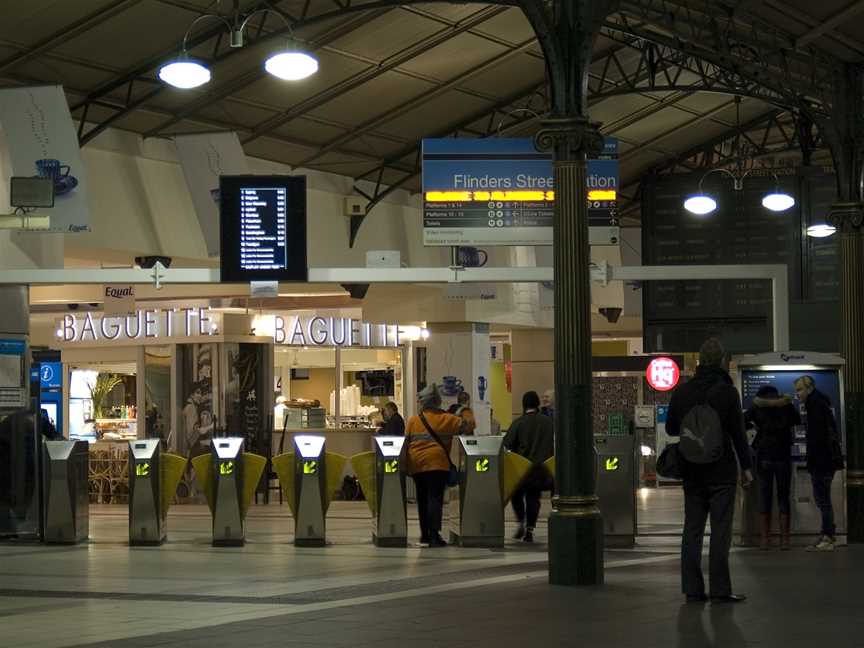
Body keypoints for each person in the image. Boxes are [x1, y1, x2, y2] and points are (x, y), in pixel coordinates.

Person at [666, 338, 753, 603]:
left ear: (699, 361)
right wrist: (746, 467)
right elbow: (738, 433)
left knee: (692, 530)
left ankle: (692, 589)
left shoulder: (683, 391)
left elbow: (671, 429)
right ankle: (720, 589)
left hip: (692, 471)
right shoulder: (727, 392)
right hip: (721, 471)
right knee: (720, 531)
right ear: (722, 361)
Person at [405, 384, 473, 546]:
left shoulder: (413, 421)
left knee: (422, 499)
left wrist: (406, 466)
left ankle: (425, 535)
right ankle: (434, 534)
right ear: (438, 401)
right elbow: (469, 426)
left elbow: (406, 443)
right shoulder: (447, 419)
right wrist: (465, 410)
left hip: (417, 466)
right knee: (435, 498)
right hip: (437, 465)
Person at [745, 385, 800, 550]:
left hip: (765, 456)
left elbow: (743, 420)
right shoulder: (787, 405)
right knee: (783, 495)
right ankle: (785, 540)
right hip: (783, 455)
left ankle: (765, 539)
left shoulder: (757, 406)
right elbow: (797, 420)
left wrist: (757, 427)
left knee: (764, 495)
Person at [794, 375, 842, 552]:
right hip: (825, 459)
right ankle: (827, 534)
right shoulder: (819, 402)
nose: (797, 394)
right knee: (823, 499)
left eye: (799, 390)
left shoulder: (816, 404)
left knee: (823, 500)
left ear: (809, 388)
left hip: (822, 460)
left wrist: (812, 461)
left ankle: (828, 537)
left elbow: (817, 437)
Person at [503, 391, 554, 543]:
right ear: (537, 403)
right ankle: (530, 529)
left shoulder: (519, 422)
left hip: (522, 468)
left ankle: (521, 522)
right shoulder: (548, 422)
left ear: (524, 405)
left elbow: (507, 444)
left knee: (516, 495)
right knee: (534, 497)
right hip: (542, 469)